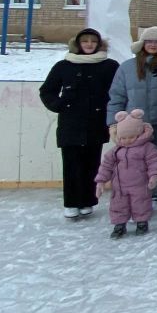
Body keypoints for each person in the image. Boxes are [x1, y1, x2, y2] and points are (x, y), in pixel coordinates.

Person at [39, 27, 119, 219]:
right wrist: (60, 105)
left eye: (93, 41)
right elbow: (47, 91)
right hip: (70, 124)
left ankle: (88, 201)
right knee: (71, 164)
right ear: (78, 44)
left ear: (99, 44)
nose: (89, 45)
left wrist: (113, 112)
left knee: (92, 163)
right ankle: (71, 202)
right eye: (85, 41)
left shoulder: (109, 66)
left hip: (96, 122)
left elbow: (118, 91)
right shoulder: (64, 66)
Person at [106, 26, 157, 206]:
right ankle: (134, 195)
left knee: (155, 160)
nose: (153, 45)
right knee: (132, 162)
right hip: (132, 126)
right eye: (149, 41)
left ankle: (153, 193)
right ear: (142, 44)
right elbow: (117, 96)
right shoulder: (127, 67)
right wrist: (113, 123)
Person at [95, 109, 157, 238]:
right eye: (123, 138)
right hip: (120, 186)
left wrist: (154, 176)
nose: (127, 141)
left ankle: (142, 222)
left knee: (141, 203)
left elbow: (154, 161)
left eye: (131, 137)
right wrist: (101, 181)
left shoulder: (147, 148)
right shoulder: (116, 150)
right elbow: (106, 165)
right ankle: (119, 225)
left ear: (139, 133)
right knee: (118, 205)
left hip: (140, 184)